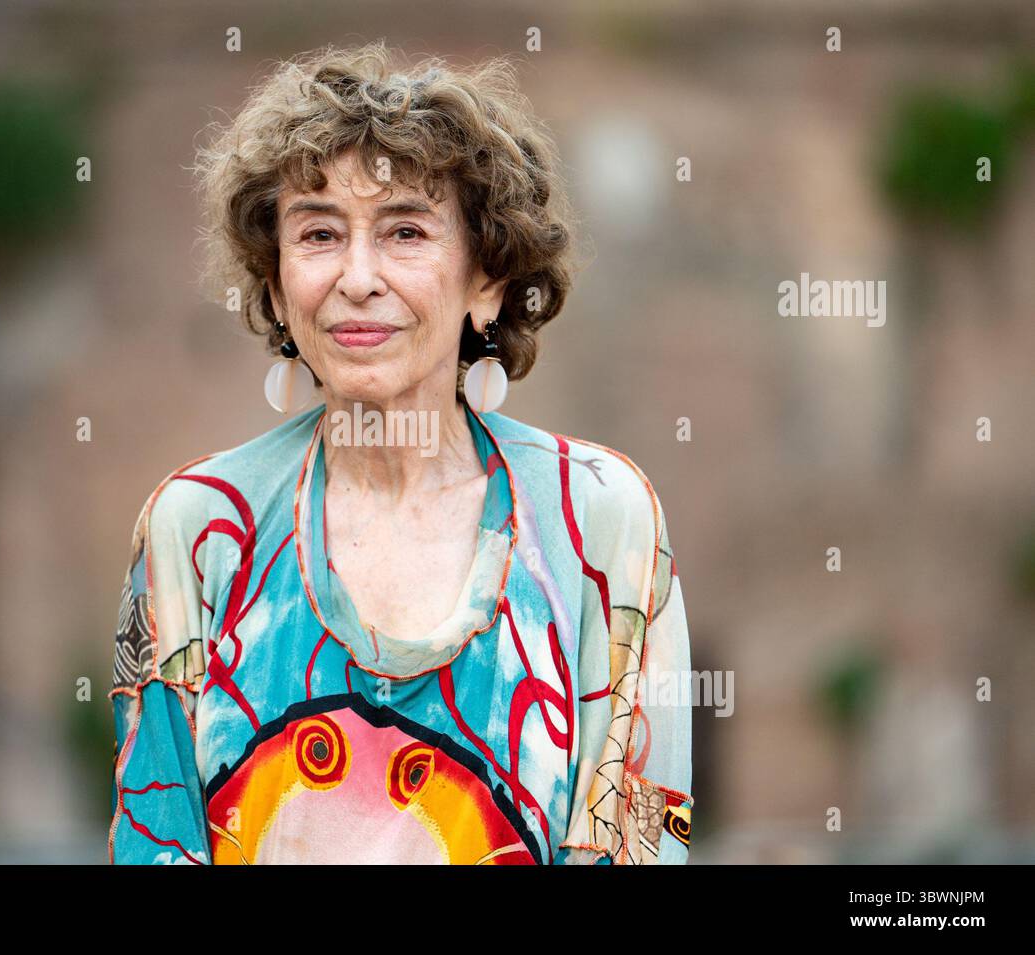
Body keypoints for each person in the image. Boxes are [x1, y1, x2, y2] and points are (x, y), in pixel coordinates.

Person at [108, 41, 692, 864]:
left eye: (405, 231)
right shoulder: (199, 532)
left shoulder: (600, 521)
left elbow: (639, 838)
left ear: (487, 278)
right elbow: (154, 840)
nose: (357, 276)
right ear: (276, 284)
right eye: (318, 233)